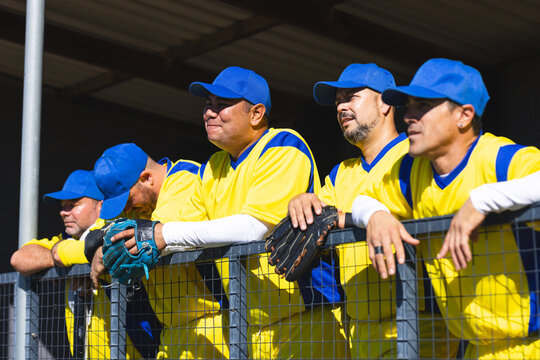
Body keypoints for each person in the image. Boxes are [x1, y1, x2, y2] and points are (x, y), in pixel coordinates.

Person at [108, 66, 348, 359]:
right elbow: (183, 231)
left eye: (222, 105)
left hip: (308, 316)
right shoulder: (213, 166)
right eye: (208, 105)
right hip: (252, 328)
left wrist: (161, 235)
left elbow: (254, 228)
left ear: (256, 114)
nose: (209, 113)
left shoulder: (284, 145)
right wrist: (137, 242)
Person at [351, 58, 540, 359]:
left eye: (423, 106)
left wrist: (483, 199)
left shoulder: (499, 159)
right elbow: (362, 200)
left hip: (531, 344)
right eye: (408, 106)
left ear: (464, 115)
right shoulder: (411, 172)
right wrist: (376, 215)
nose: (409, 116)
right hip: (473, 349)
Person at [286, 63, 455, 359]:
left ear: (386, 102)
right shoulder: (340, 174)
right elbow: (315, 218)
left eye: (352, 97)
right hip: (359, 331)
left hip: (419, 323)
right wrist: (300, 202)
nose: (341, 107)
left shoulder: (415, 155)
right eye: (338, 100)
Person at [89, 143, 227, 359]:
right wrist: (101, 245)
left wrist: (106, 246)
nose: (126, 210)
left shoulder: (184, 177)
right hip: (170, 332)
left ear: (147, 178)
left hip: (213, 327)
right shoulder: (140, 204)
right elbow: (92, 237)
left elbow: (155, 234)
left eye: (127, 201)